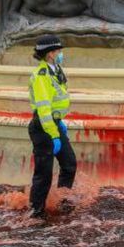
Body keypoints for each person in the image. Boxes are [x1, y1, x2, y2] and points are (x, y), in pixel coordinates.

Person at [27, 35, 77, 219]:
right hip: (43, 127)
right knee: (44, 173)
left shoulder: (55, 70)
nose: (61, 54)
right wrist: (53, 134)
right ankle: (36, 212)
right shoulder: (41, 76)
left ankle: (62, 202)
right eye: (58, 51)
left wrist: (59, 122)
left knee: (69, 164)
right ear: (50, 54)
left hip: (54, 125)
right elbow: (43, 110)